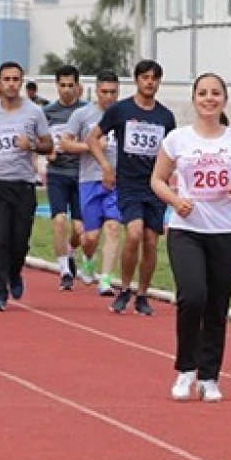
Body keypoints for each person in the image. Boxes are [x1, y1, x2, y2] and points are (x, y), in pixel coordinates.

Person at [151, 73, 231, 403]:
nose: (209, 99)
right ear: (194, 99)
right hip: (187, 230)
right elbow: (157, 179)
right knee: (193, 296)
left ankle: (209, 377)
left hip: (226, 233)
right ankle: (186, 369)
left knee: (216, 305)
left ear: (224, 100)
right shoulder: (177, 140)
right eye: (202, 93)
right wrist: (174, 200)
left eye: (215, 93)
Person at [88, 59, 177, 316]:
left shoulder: (165, 116)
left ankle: (142, 294)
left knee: (150, 241)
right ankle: (125, 288)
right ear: (136, 80)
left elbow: (171, 152)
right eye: (145, 77)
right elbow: (93, 138)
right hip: (128, 184)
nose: (150, 82)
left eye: (154, 78)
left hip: (155, 186)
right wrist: (106, 166)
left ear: (159, 82)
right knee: (134, 233)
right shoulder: (120, 110)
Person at [0, 62, 53, 311]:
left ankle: (14, 273)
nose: (11, 84)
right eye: (6, 79)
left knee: (19, 241)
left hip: (24, 183)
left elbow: (49, 146)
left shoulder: (34, 112)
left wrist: (32, 145)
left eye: (16, 79)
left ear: (22, 83)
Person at [61, 70, 121, 297]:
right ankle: (87, 257)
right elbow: (65, 143)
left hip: (117, 181)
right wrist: (92, 146)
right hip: (89, 180)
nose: (108, 96)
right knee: (90, 237)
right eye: (104, 92)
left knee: (114, 228)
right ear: (96, 91)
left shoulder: (124, 114)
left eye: (113, 92)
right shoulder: (82, 115)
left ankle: (105, 280)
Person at [43, 65, 88, 290]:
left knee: (80, 230)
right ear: (57, 86)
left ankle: (70, 250)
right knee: (59, 220)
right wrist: (46, 151)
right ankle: (64, 271)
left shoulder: (86, 111)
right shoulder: (48, 112)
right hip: (57, 174)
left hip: (82, 175)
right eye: (63, 85)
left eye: (71, 85)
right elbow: (39, 140)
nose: (67, 90)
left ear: (78, 86)